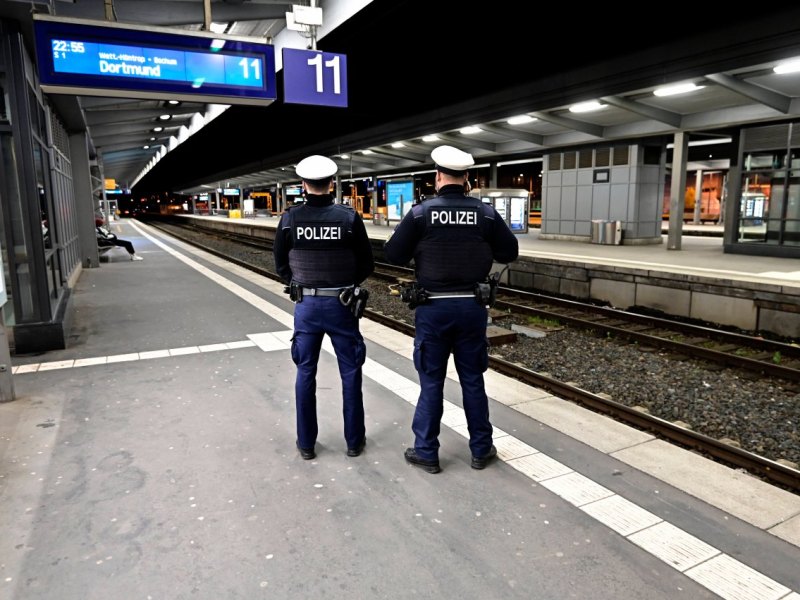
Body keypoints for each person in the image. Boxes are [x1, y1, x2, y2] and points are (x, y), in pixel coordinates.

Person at [383, 145, 519, 474]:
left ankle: (427, 451)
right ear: (467, 178)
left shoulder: (420, 213)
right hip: (472, 308)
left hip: (433, 310)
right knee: (472, 380)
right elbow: (509, 252)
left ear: (438, 177)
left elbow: (393, 256)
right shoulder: (485, 214)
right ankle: (481, 450)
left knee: (431, 382)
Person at [273, 155, 375, 460]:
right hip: (342, 306)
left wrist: (301, 282)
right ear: (332, 183)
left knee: (305, 372)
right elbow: (367, 263)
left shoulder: (290, 219)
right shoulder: (348, 218)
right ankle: (354, 442)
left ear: (303, 185)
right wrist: (344, 283)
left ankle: (306, 444)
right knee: (350, 372)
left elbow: (280, 265)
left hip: (306, 305)